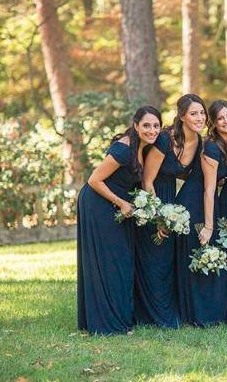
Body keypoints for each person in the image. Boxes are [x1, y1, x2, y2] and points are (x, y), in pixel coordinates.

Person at [77, 106, 162, 335]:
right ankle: (107, 324)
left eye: (156, 125)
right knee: (111, 262)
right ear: (136, 126)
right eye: (146, 125)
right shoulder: (124, 149)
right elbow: (94, 180)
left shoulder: (144, 148)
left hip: (116, 205)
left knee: (122, 261)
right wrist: (121, 202)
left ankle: (118, 317)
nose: (152, 130)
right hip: (99, 203)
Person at [133, 95, 204, 329]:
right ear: (182, 116)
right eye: (193, 113)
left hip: (171, 203)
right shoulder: (165, 139)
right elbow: (147, 181)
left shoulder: (200, 142)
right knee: (155, 259)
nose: (199, 117)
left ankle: (169, 311)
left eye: (202, 113)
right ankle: (153, 315)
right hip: (153, 201)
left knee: (167, 260)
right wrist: (158, 217)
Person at [175, 99, 227, 325]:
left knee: (212, 256)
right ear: (214, 123)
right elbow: (208, 190)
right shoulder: (211, 146)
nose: (226, 121)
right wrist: (209, 226)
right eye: (220, 118)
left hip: (209, 204)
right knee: (200, 253)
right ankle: (199, 315)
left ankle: (215, 312)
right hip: (195, 203)